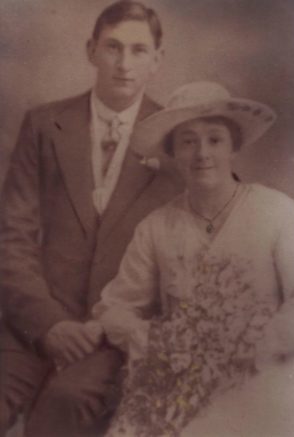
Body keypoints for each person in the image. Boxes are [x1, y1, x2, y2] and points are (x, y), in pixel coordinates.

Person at [90, 81, 294, 436]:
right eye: (187, 141)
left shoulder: (277, 212)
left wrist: (253, 349)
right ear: (172, 153)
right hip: (184, 377)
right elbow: (114, 307)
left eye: (214, 140)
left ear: (234, 147)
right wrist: (150, 339)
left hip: (267, 373)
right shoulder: (157, 227)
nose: (202, 154)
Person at [0, 2, 181, 436]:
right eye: (113, 47)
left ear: (157, 60)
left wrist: (111, 327)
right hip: (33, 322)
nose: (124, 64)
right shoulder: (45, 124)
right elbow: (12, 238)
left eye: (139, 51)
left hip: (110, 339)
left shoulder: (177, 141)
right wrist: (48, 323)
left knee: (59, 411)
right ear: (90, 50)